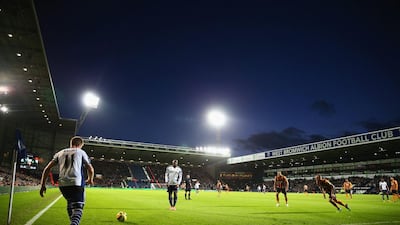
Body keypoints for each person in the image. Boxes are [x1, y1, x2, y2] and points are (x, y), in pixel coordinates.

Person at [40, 136, 94, 225]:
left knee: (70, 204)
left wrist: (42, 185)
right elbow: (90, 168)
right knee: (78, 209)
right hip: (76, 183)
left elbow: (47, 169)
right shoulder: (81, 152)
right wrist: (90, 179)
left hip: (63, 185)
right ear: (80, 145)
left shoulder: (60, 153)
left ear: (71, 143)